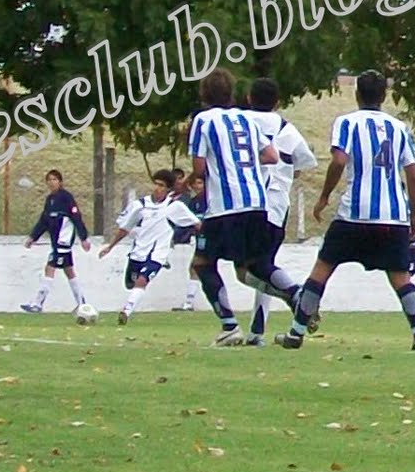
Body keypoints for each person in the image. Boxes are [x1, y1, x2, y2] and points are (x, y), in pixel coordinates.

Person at [276, 70, 415, 351]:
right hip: (393, 216)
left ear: (357, 94)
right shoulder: (399, 128)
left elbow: (339, 160)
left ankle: (297, 332)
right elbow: (412, 174)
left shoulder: (347, 122)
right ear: (384, 96)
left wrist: (324, 196)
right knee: (400, 276)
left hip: (354, 214)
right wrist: (413, 214)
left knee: (321, 271)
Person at [187, 69, 298, 345]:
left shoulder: (203, 120)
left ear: (204, 94)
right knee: (252, 265)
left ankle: (229, 325)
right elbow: (272, 156)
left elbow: (199, 167)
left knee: (202, 263)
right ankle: (295, 294)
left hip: (225, 206)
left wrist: (189, 182)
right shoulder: (246, 118)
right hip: (257, 203)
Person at [244, 78, 317, 344]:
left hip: (246, 203)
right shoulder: (287, 129)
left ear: (249, 98)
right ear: (277, 103)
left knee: (247, 270)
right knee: (260, 267)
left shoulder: (240, 123)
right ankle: (257, 330)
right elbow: (306, 161)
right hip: (276, 206)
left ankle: (295, 295)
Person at [99, 169, 203, 323]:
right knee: (132, 283)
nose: (157, 188)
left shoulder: (174, 207)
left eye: (161, 185)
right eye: (155, 184)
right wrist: (110, 246)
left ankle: (126, 311)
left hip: (158, 255)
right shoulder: (140, 205)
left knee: (143, 280)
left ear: (168, 189)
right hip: (138, 253)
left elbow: (197, 223)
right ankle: (132, 298)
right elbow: (125, 228)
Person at [20, 170, 92, 314]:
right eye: (49, 180)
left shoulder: (66, 198)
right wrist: (33, 237)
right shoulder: (50, 200)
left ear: (60, 182)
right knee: (69, 271)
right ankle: (82, 304)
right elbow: (44, 221)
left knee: (50, 268)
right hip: (56, 242)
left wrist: (83, 237)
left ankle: (38, 303)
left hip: (63, 242)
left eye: (54, 179)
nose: (51, 182)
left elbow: (76, 217)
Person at [168, 168, 204, 311]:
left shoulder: (211, 199)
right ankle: (189, 303)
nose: (198, 186)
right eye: (196, 183)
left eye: (200, 183)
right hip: (201, 237)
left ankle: (189, 303)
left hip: (211, 237)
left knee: (197, 267)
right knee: (196, 267)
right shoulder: (194, 201)